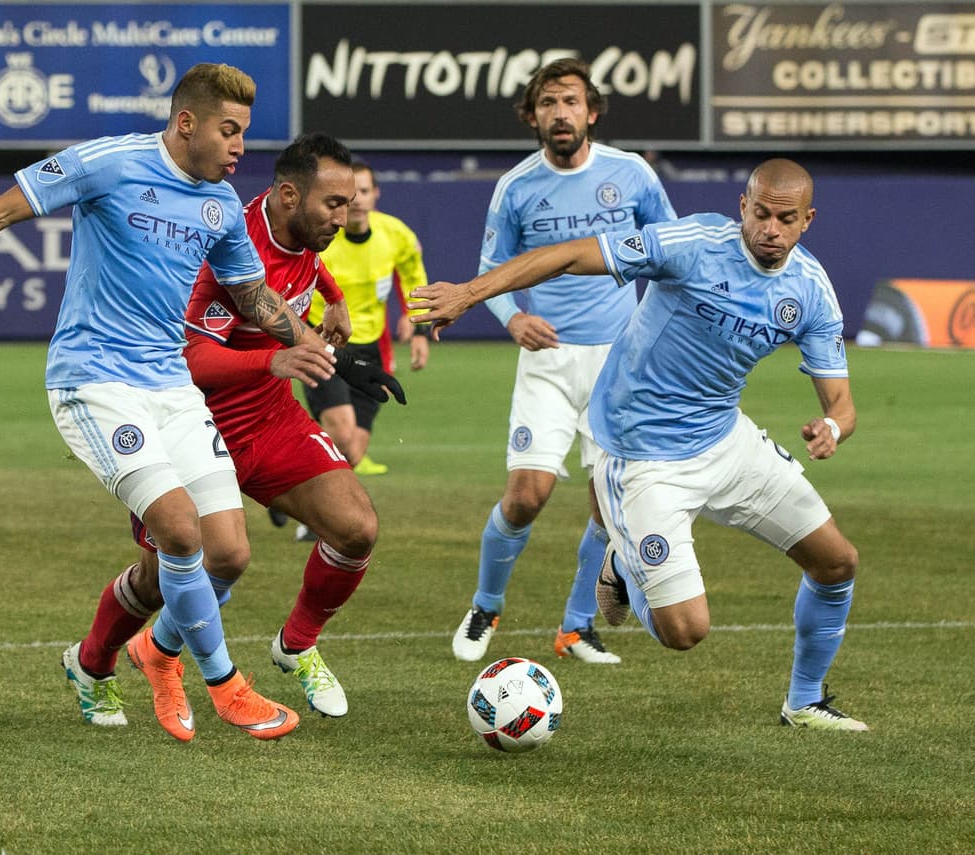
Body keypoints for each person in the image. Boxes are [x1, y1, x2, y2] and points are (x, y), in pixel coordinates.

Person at [0, 63, 340, 742]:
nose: (239, 147)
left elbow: (254, 297)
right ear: (186, 122)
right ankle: (226, 686)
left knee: (228, 552)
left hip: (169, 385)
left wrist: (323, 349)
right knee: (180, 530)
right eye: (229, 130)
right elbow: (5, 207)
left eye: (243, 132)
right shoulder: (110, 162)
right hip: (94, 381)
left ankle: (97, 660)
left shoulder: (222, 204)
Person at [410, 158, 868, 731]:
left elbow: (842, 404)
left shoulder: (811, 289)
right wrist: (471, 293)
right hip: (641, 453)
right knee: (685, 632)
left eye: (786, 219)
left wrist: (833, 428)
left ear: (807, 220)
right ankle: (623, 565)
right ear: (743, 207)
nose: (770, 229)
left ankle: (803, 702)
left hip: (725, 439)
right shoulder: (693, 244)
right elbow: (571, 254)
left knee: (837, 562)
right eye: (760, 214)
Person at [73, 133, 403, 741]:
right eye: (334, 204)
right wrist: (272, 361)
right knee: (163, 576)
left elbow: (305, 266)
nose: (345, 216)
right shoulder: (227, 244)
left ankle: (294, 646)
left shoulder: (302, 231)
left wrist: (333, 298)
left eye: (349, 202)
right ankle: (92, 663)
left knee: (356, 528)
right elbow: (189, 359)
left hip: (269, 418)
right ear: (288, 196)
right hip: (189, 421)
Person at [449, 58, 676, 666]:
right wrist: (512, 319)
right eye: (547, 102)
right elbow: (490, 272)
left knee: (608, 502)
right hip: (547, 362)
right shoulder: (516, 187)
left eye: (571, 100)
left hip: (618, 366)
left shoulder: (632, 174)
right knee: (527, 495)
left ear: (591, 111)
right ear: (532, 116)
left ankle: (576, 628)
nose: (560, 112)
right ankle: (486, 605)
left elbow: (672, 251)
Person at [306, 162, 431, 477]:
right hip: (324, 343)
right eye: (350, 194)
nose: (358, 200)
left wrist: (419, 327)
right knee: (342, 432)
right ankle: (288, 481)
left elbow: (414, 276)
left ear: (376, 193)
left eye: (364, 191)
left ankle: (294, 478)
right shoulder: (321, 237)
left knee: (353, 452)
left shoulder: (396, 234)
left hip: (371, 346)